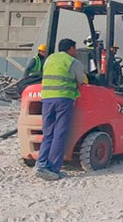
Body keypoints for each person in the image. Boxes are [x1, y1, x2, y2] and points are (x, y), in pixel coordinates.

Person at [35, 38, 87, 180]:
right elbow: (81, 80)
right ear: (70, 48)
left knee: (48, 133)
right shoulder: (73, 62)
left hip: (46, 99)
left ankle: (41, 164)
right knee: (60, 133)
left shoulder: (49, 59)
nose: (76, 51)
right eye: (75, 48)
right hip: (64, 99)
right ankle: (53, 168)